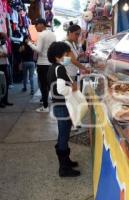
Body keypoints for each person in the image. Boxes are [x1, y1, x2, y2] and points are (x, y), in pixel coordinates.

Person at [47, 41, 80, 177]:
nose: (68, 56)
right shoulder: (59, 68)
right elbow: (60, 89)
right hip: (62, 106)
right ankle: (64, 168)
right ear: (57, 56)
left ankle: (66, 161)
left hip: (58, 105)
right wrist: (71, 88)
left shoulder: (54, 67)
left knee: (63, 134)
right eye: (66, 54)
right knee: (64, 135)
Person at [27, 18, 56, 112]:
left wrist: (29, 44)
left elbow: (38, 50)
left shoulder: (41, 35)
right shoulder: (52, 34)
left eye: (36, 25)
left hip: (43, 63)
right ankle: (51, 103)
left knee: (43, 86)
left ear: (42, 25)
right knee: (49, 84)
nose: (35, 27)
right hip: (51, 63)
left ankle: (45, 106)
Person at [0, 32, 13, 108]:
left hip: (5, 64)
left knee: (6, 83)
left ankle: (5, 100)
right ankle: (1, 101)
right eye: (4, 36)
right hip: (0, 65)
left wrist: (4, 54)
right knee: (1, 83)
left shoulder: (5, 43)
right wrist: (3, 54)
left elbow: (7, 53)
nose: (6, 37)